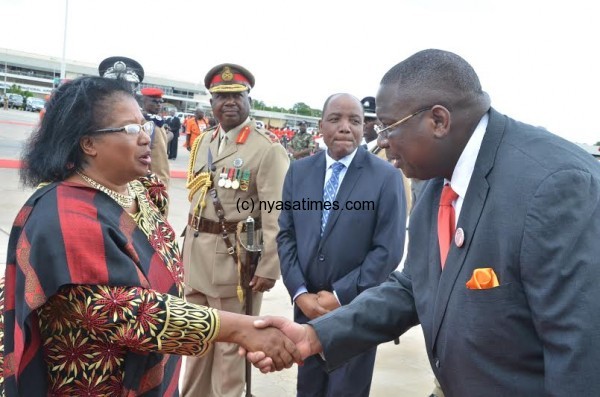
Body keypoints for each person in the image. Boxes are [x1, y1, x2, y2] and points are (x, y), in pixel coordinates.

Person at [246, 49, 600, 396]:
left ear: (438, 121)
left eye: (387, 128)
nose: (380, 142)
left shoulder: (555, 186)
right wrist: (317, 335)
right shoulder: (437, 185)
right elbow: (414, 288)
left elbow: (580, 354)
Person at [0, 76, 300, 396]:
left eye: (145, 126)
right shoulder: (60, 218)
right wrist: (242, 330)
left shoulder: (138, 190)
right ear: (87, 143)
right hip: (95, 383)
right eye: (131, 129)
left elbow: (272, 212)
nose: (146, 138)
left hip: (178, 327)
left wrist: (266, 265)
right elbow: (133, 314)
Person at [278, 93, 406, 396]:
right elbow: (286, 236)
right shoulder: (299, 171)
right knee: (308, 388)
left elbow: (388, 251)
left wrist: (339, 295)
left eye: (355, 121)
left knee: (345, 390)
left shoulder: (386, 177)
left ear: (364, 128)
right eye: (335, 119)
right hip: (306, 308)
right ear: (320, 126)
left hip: (355, 310)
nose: (345, 127)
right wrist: (299, 293)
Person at [181, 63, 289, 397]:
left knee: (230, 346)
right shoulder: (203, 142)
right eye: (221, 96)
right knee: (196, 339)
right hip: (196, 258)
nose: (229, 102)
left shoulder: (266, 148)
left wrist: (269, 267)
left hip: (234, 261)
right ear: (211, 102)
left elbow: (276, 213)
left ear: (248, 100)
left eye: (236, 95)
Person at [362, 95, 413, 212]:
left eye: (369, 120)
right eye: (361, 119)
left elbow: (403, 197)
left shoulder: (391, 152)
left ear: (380, 122)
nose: (364, 124)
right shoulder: (363, 151)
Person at [140, 87, 171, 191]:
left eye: (160, 102)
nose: (158, 104)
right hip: (151, 180)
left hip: (162, 175)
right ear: (143, 100)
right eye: (154, 101)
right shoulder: (143, 121)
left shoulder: (157, 121)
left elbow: (159, 145)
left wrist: (169, 135)